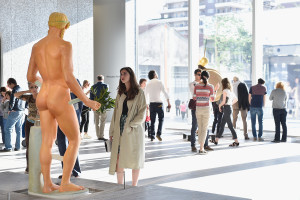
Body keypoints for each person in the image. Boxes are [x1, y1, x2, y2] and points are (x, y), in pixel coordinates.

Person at [27, 12, 100, 193]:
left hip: (43, 96)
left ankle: (47, 184)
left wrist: (44, 83)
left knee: (47, 142)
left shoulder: (37, 46)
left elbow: (30, 77)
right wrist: (87, 100)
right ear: (63, 26)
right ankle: (65, 182)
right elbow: (68, 78)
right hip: (59, 95)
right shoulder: (64, 45)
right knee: (75, 139)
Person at [109, 67, 147, 186]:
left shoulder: (139, 92)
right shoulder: (120, 93)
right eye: (121, 74)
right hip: (120, 127)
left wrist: (131, 124)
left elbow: (142, 111)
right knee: (119, 158)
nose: (122, 76)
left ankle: (134, 186)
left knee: (135, 157)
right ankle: (120, 186)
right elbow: (115, 113)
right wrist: (111, 131)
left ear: (130, 75)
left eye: (124, 73)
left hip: (133, 129)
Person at [14, 82, 39, 173]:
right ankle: (28, 167)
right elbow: (16, 95)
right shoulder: (29, 97)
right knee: (29, 145)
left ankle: (38, 167)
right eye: (32, 87)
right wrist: (28, 91)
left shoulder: (42, 96)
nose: (34, 88)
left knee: (39, 145)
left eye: (35, 87)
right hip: (29, 123)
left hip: (40, 124)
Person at [193, 71, 217, 154]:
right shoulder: (210, 86)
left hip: (198, 108)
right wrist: (215, 91)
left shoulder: (196, 86)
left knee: (200, 128)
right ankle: (201, 148)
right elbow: (212, 99)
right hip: (206, 109)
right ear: (208, 77)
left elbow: (194, 98)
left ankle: (201, 146)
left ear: (201, 77)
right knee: (204, 129)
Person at [145, 70, 171, 141]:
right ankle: (158, 134)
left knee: (152, 121)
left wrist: (146, 104)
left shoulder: (148, 84)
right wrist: (168, 102)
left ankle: (152, 136)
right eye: (156, 73)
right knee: (161, 119)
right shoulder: (159, 82)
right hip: (159, 104)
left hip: (152, 104)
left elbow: (145, 95)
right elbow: (165, 93)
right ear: (154, 75)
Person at [0, 78, 26, 152]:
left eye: (8, 85)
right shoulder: (21, 89)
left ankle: (8, 147)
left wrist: (10, 109)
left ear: (12, 83)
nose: (8, 87)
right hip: (21, 111)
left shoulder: (15, 90)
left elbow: (13, 100)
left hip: (15, 111)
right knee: (18, 130)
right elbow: (25, 99)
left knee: (7, 129)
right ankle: (18, 147)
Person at [212, 78, 239, 147]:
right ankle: (216, 140)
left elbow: (223, 102)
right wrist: (230, 103)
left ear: (223, 84)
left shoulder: (224, 91)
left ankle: (236, 141)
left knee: (230, 126)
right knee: (222, 125)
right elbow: (236, 99)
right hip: (228, 108)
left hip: (226, 109)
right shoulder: (230, 91)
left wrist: (219, 106)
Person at [90, 75, 109, 140]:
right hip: (103, 105)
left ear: (97, 79)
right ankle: (101, 135)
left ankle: (98, 136)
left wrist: (92, 105)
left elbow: (91, 98)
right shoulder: (106, 86)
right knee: (103, 121)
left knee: (97, 121)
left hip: (95, 105)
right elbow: (107, 96)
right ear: (103, 79)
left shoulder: (93, 87)